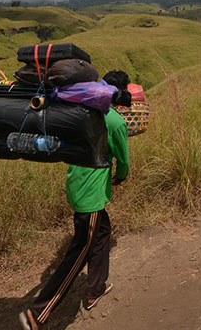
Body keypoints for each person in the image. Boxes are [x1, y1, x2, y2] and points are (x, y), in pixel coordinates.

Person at [19, 70, 131, 329]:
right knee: (79, 251)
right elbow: (123, 160)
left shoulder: (82, 112)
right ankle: (37, 314)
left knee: (101, 233)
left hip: (76, 185)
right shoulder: (114, 121)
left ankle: (96, 289)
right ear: (120, 93)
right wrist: (121, 177)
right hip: (90, 194)